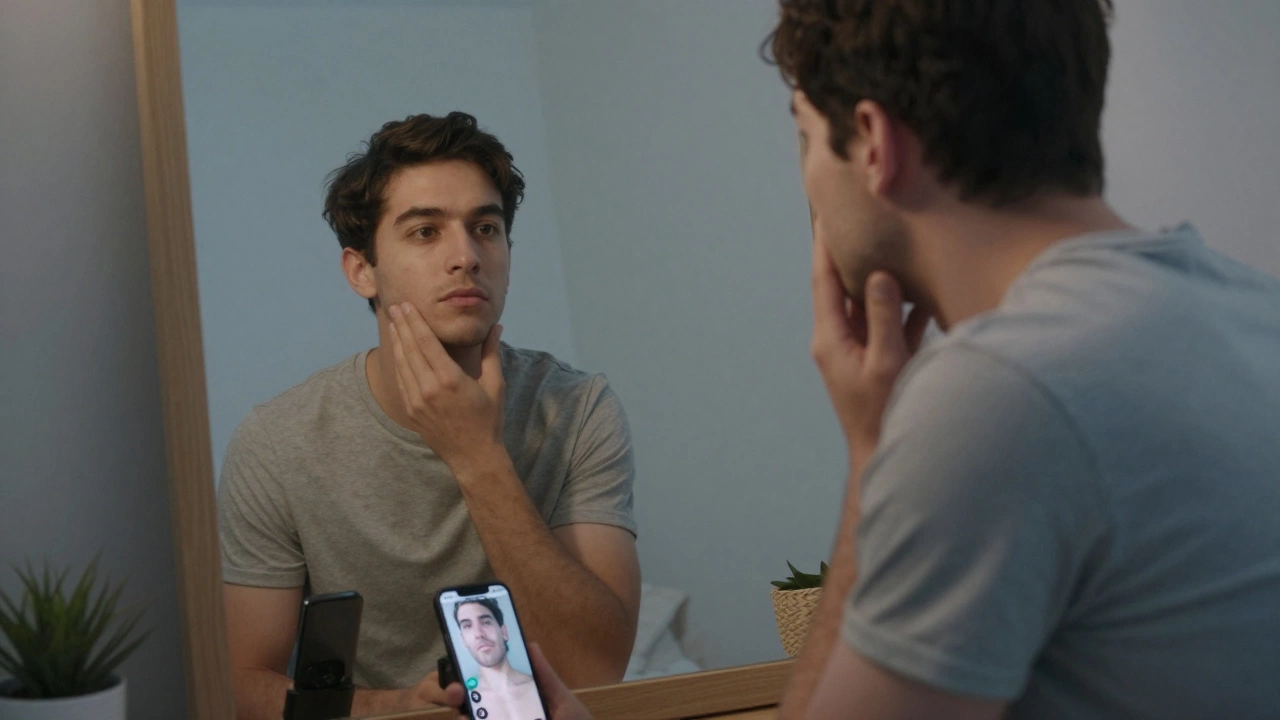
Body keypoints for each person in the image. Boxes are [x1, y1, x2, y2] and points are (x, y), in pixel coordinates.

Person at [453, 0, 1280, 718]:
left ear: (876, 144)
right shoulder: (1252, 308)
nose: (808, 178)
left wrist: (870, 461)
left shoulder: (1002, 396)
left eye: (808, 139)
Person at [218, 112, 642, 720]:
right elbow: (239, 682)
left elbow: (595, 672)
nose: (465, 256)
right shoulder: (277, 443)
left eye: (486, 228)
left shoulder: (576, 409)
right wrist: (393, 707)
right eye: (424, 232)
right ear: (361, 270)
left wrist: (477, 456)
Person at [453, 598, 542, 720]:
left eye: (486, 622)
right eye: (467, 626)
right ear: (464, 640)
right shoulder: (467, 700)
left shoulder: (540, 688)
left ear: (504, 632)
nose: (479, 634)